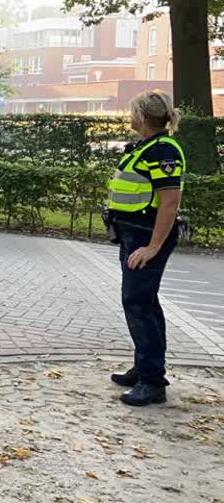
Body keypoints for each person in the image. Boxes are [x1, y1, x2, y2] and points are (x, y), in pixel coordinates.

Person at [104, 90, 185, 407]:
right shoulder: (146, 147)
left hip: (146, 236)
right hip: (133, 234)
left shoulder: (163, 150)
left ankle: (152, 382)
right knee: (143, 302)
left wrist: (153, 247)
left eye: (132, 111)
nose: (129, 116)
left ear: (141, 115)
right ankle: (145, 367)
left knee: (138, 303)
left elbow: (170, 202)